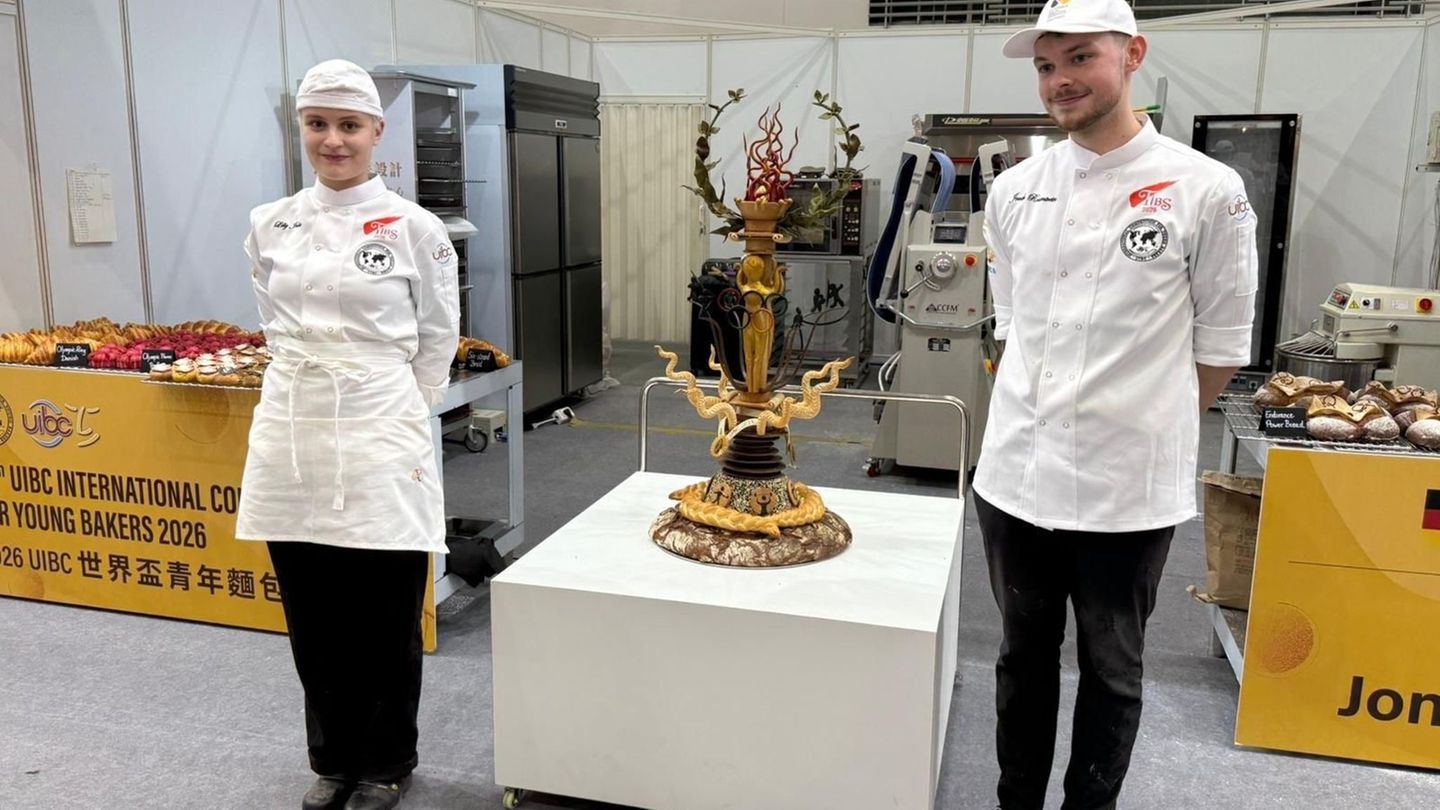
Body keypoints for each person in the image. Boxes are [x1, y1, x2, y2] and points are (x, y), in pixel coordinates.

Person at [974, 1, 1258, 808]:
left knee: (1112, 667)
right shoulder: (1016, 190)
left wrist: (1143, 423)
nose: (1059, 80)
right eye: (1045, 65)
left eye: (1079, 58)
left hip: (1125, 489)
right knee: (1021, 657)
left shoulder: (1206, 189)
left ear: (1132, 55)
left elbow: (1222, 347)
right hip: (1016, 478)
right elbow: (1013, 328)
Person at [235, 59, 460, 810]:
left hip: (378, 427)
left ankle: (388, 761)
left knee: (384, 611)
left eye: (348, 125)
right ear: (301, 128)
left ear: (376, 132)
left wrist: (396, 412)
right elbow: (273, 322)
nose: (333, 140)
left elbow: (438, 337)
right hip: (293, 429)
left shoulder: (415, 228)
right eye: (317, 124)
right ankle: (332, 760)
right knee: (312, 610)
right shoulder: (270, 222)